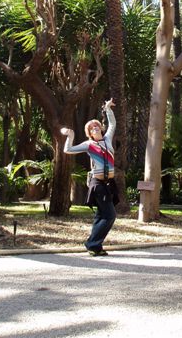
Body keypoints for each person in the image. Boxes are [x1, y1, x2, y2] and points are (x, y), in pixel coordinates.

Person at [61, 98, 118, 256]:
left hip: (109, 183)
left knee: (101, 215)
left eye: (96, 126)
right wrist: (70, 135)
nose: (95, 128)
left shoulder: (107, 140)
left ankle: (95, 246)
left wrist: (107, 109)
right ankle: (92, 244)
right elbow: (68, 150)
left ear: (100, 128)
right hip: (97, 184)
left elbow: (112, 124)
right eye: (91, 128)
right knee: (110, 215)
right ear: (89, 133)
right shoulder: (88, 145)